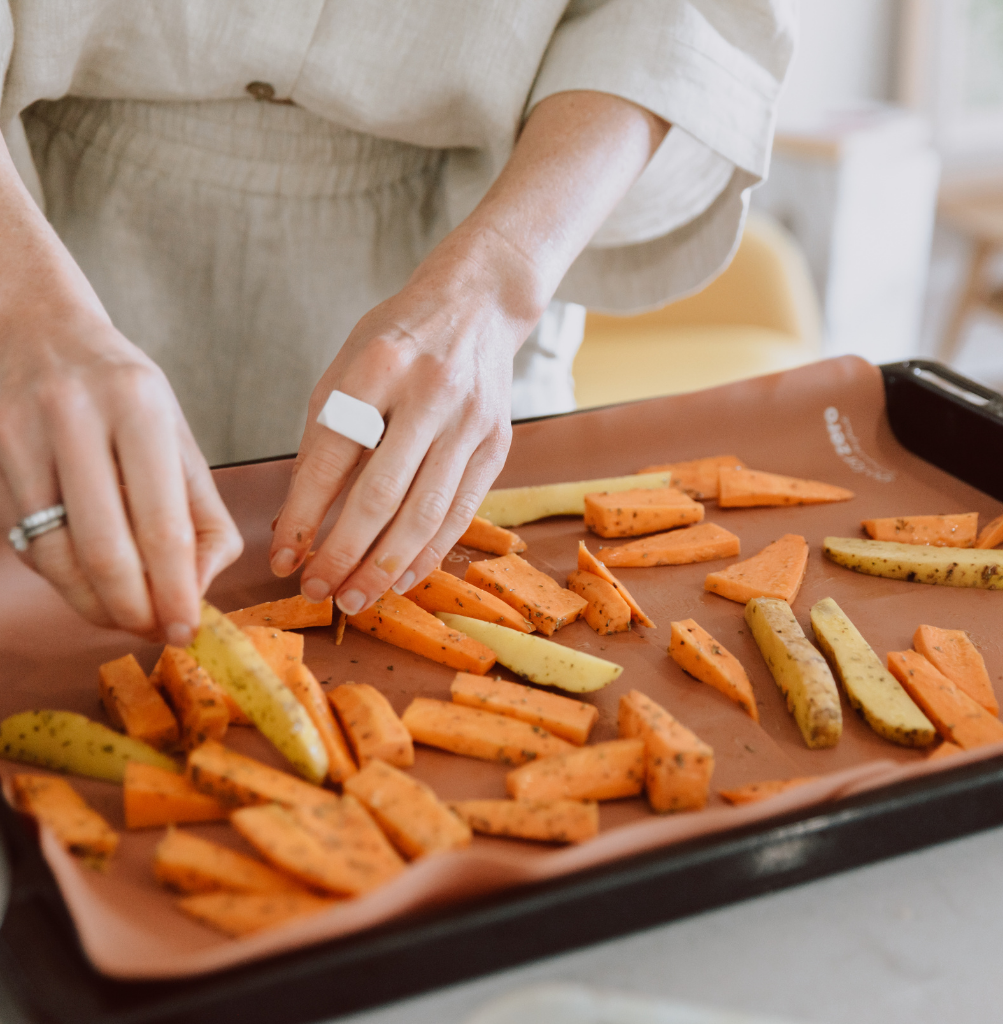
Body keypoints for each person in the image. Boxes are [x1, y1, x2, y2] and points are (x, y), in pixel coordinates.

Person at [0, 2, 796, 645]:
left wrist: (499, 281)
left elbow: (677, 23)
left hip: (473, 235)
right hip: (28, 218)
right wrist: (23, 305)